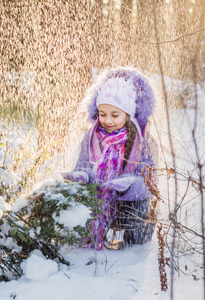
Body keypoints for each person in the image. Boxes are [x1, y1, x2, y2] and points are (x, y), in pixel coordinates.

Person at [62, 67, 157, 250]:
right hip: (100, 201)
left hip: (128, 206)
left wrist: (128, 184)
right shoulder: (92, 137)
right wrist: (83, 176)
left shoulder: (143, 140)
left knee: (139, 208)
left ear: (128, 114)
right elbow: (83, 165)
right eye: (102, 114)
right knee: (81, 199)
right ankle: (90, 235)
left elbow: (150, 181)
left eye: (115, 115)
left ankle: (132, 246)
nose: (108, 120)